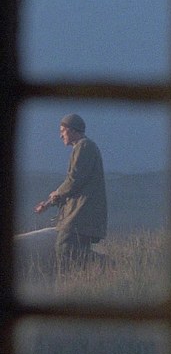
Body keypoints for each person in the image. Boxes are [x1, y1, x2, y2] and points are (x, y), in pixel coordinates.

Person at [34, 113, 107, 270]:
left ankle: (107, 264)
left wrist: (57, 193)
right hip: (82, 212)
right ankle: (96, 274)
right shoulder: (84, 147)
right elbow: (75, 182)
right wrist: (49, 203)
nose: (60, 135)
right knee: (74, 251)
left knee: (65, 248)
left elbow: (74, 180)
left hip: (81, 212)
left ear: (73, 130)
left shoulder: (84, 146)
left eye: (63, 131)